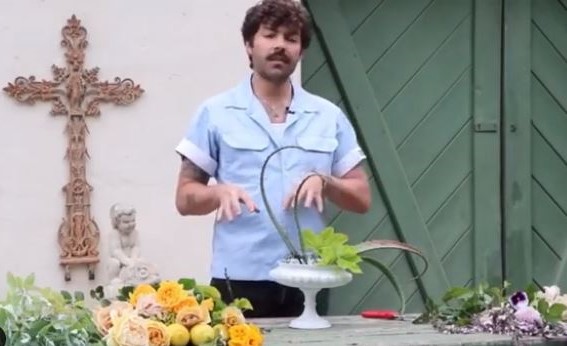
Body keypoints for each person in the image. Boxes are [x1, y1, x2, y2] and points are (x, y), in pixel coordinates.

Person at [174, 0, 371, 318]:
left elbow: (361, 199)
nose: (280, 45)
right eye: (270, 35)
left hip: (310, 277)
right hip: (238, 278)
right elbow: (185, 198)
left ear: (301, 52)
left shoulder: (327, 116)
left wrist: (325, 181)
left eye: (291, 39)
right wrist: (218, 192)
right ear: (249, 45)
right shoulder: (214, 113)